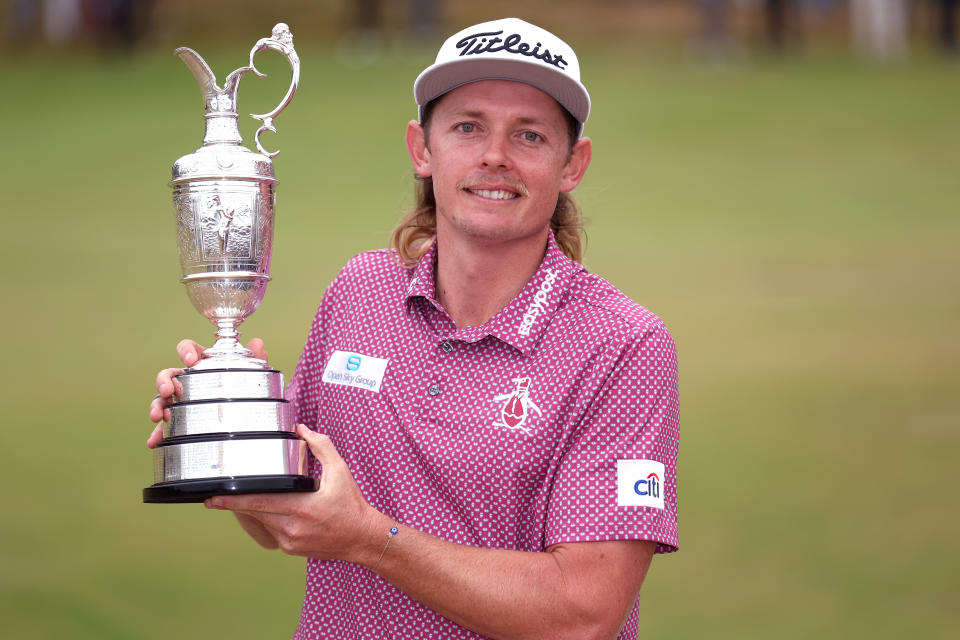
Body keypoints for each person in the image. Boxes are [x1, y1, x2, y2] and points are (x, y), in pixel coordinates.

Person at [149, 17, 679, 640]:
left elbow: (583, 614)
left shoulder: (623, 343)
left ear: (572, 164)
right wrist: (231, 433)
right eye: (467, 126)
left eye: (530, 135)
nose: (494, 155)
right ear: (421, 149)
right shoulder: (359, 291)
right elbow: (291, 520)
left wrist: (374, 540)